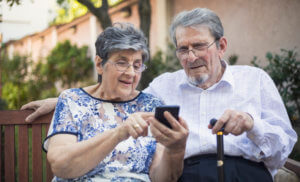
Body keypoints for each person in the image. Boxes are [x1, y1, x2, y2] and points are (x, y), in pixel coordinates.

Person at [22, 8, 297, 181]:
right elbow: (117, 94)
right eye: (182, 49)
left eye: (199, 46)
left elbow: (284, 147)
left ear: (221, 45)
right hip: (188, 173)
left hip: (245, 172)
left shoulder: (254, 80)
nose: (190, 57)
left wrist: (251, 124)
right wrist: (62, 100)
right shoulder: (164, 87)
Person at [37, 23, 188, 182]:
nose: (131, 73)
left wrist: (175, 150)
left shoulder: (150, 105)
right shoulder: (72, 101)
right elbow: (61, 165)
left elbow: (160, 178)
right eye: (121, 63)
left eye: (137, 65)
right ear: (99, 65)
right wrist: (119, 133)